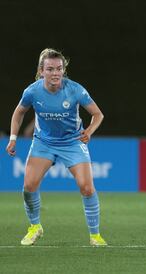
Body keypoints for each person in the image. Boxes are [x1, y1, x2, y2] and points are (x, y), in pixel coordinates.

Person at [5, 48, 107, 246]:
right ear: (41, 71)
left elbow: (98, 114)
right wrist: (13, 138)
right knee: (29, 186)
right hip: (43, 143)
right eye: (50, 69)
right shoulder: (32, 91)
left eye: (59, 69)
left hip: (72, 142)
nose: (55, 73)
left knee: (87, 188)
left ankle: (95, 235)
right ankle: (35, 227)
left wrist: (89, 131)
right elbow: (19, 112)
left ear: (63, 70)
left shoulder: (75, 89)